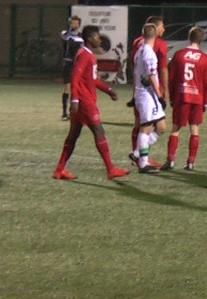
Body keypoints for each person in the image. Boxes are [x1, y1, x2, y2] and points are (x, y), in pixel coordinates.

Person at [53, 25, 130, 180]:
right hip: (84, 102)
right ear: (90, 39)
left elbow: (93, 79)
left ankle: (59, 170)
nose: (99, 40)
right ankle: (111, 169)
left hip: (82, 101)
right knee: (99, 131)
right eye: (97, 37)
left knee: (73, 136)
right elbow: (75, 77)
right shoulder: (85, 55)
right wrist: (75, 99)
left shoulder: (88, 54)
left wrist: (108, 90)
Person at [165, 26, 207, 171]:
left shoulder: (179, 55)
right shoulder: (204, 59)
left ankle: (170, 160)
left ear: (189, 37)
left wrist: (172, 97)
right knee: (194, 129)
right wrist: (205, 102)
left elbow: (172, 78)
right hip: (197, 98)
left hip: (182, 96)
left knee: (176, 128)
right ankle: (191, 162)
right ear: (201, 40)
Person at [128, 15, 168, 167]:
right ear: (156, 31)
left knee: (161, 127)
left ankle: (137, 153)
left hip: (145, 93)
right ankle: (143, 162)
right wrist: (161, 95)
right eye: (162, 26)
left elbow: (136, 72)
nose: (164, 29)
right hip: (148, 95)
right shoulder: (150, 51)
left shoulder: (138, 47)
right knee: (146, 127)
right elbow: (154, 73)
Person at [59, 15, 84, 121]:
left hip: (79, 65)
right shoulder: (66, 34)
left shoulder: (81, 36)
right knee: (67, 88)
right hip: (69, 64)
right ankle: (64, 113)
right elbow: (65, 38)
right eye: (73, 23)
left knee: (79, 88)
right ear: (70, 24)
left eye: (77, 23)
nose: (75, 25)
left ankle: (77, 113)